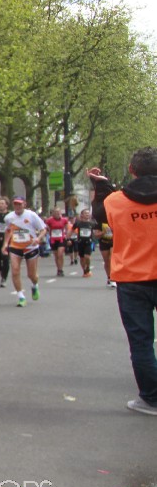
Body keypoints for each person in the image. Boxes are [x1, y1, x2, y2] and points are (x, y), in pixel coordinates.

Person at [89, 150, 157, 415]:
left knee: (141, 341)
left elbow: (99, 214)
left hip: (132, 278)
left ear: (131, 170)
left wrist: (101, 186)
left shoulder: (116, 201)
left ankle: (151, 399)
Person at [2, 197, 46, 307]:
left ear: (24, 205)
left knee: (31, 275)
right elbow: (8, 231)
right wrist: (5, 244)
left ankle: (34, 285)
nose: (17, 206)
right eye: (15, 204)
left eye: (20, 204)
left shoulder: (31, 215)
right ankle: (21, 296)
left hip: (30, 247)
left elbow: (43, 229)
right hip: (15, 247)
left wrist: (38, 239)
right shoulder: (9, 217)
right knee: (15, 271)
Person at [45, 208, 70, 276]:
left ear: (61, 213)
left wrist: (67, 237)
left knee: (60, 254)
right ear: (53, 214)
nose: (57, 214)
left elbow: (67, 229)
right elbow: (46, 227)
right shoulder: (49, 220)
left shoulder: (64, 220)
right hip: (53, 239)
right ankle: (58, 269)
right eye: (55, 212)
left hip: (61, 238)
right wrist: (48, 230)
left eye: (58, 212)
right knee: (56, 256)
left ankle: (61, 269)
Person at [72, 208, 97, 277]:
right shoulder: (78, 223)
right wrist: (69, 238)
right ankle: (84, 271)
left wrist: (95, 235)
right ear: (82, 215)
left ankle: (88, 267)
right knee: (82, 258)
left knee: (87, 256)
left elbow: (96, 230)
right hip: (80, 242)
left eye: (88, 213)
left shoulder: (92, 223)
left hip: (89, 242)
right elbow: (72, 230)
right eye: (85, 213)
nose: (87, 214)